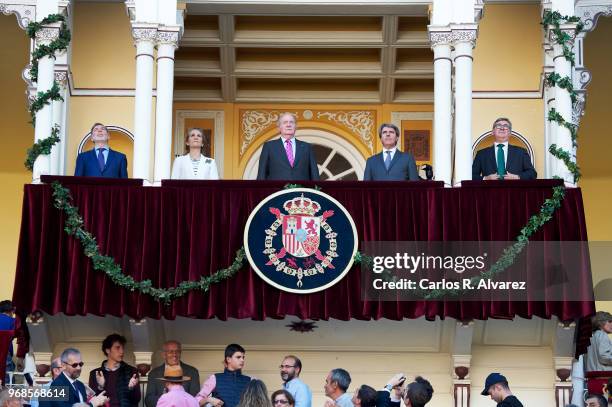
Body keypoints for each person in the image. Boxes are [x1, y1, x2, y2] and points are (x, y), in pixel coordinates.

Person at [256, 113, 320, 181]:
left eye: (291, 122)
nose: (288, 125)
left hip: (301, 190)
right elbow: (261, 174)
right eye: (285, 122)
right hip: (277, 190)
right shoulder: (269, 146)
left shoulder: (307, 147)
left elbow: (314, 174)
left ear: (295, 127)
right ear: (279, 127)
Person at [472, 118, 537, 181]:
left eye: (506, 126)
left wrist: (517, 177)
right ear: (493, 132)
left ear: (510, 133)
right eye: (498, 126)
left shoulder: (521, 152)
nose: (502, 128)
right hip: (490, 191)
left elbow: (532, 173)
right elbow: (471, 175)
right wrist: (485, 178)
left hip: (515, 191)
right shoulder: (481, 154)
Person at [41, 348, 108, 407]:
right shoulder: (58, 384)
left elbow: (95, 400)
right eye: (74, 365)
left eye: (81, 364)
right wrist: (91, 405)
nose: (79, 368)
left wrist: (100, 386)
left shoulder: (80, 385)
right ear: (64, 365)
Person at [88, 333, 140, 407]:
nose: (122, 351)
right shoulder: (95, 374)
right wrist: (100, 387)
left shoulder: (132, 371)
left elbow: (136, 400)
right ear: (107, 350)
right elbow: (92, 401)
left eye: (122, 348)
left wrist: (131, 388)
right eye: (118, 348)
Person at [145, 340, 200, 407]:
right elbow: (149, 399)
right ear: (164, 355)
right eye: (171, 352)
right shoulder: (154, 373)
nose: (174, 354)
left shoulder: (192, 372)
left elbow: (195, 396)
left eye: (177, 351)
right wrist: (167, 402)